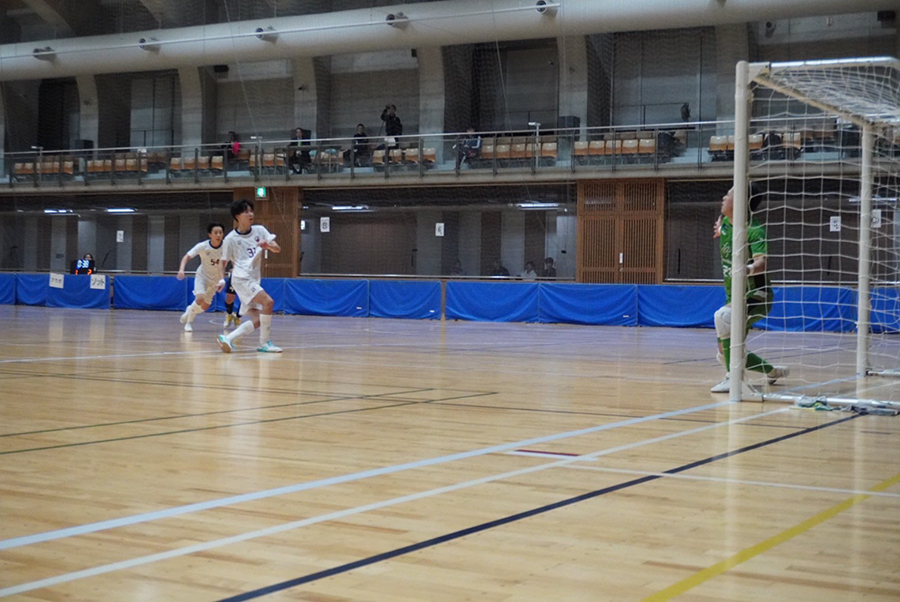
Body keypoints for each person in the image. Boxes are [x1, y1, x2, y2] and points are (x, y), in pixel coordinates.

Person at [710, 185, 789, 393]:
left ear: (740, 201)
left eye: (728, 194)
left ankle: (733, 379)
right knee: (725, 353)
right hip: (733, 296)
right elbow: (724, 228)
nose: (723, 197)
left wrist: (746, 269)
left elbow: (762, 263)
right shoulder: (726, 223)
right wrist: (720, 228)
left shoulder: (754, 230)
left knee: (723, 317)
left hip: (757, 295)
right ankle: (772, 371)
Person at [215, 199, 283, 353]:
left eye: (251, 211)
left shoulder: (260, 230)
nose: (250, 214)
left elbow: (277, 248)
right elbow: (222, 262)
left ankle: (228, 338)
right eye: (246, 212)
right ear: (237, 216)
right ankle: (264, 343)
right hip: (241, 278)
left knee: (258, 320)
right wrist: (221, 279)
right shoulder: (230, 239)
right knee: (268, 302)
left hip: (253, 278)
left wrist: (268, 245)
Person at [177, 223, 225, 332]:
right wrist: (181, 269)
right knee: (199, 299)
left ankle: (190, 310)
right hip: (202, 276)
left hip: (215, 280)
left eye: (220, 232)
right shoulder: (203, 246)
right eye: (215, 233)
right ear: (210, 235)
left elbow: (228, 263)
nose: (218, 235)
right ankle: (188, 322)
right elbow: (186, 257)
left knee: (205, 307)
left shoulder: (226, 247)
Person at [221, 261, 241, 330]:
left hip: (247, 275)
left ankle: (238, 317)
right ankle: (229, 314)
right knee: (229, 298)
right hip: (235, 275)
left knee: (245, 299)